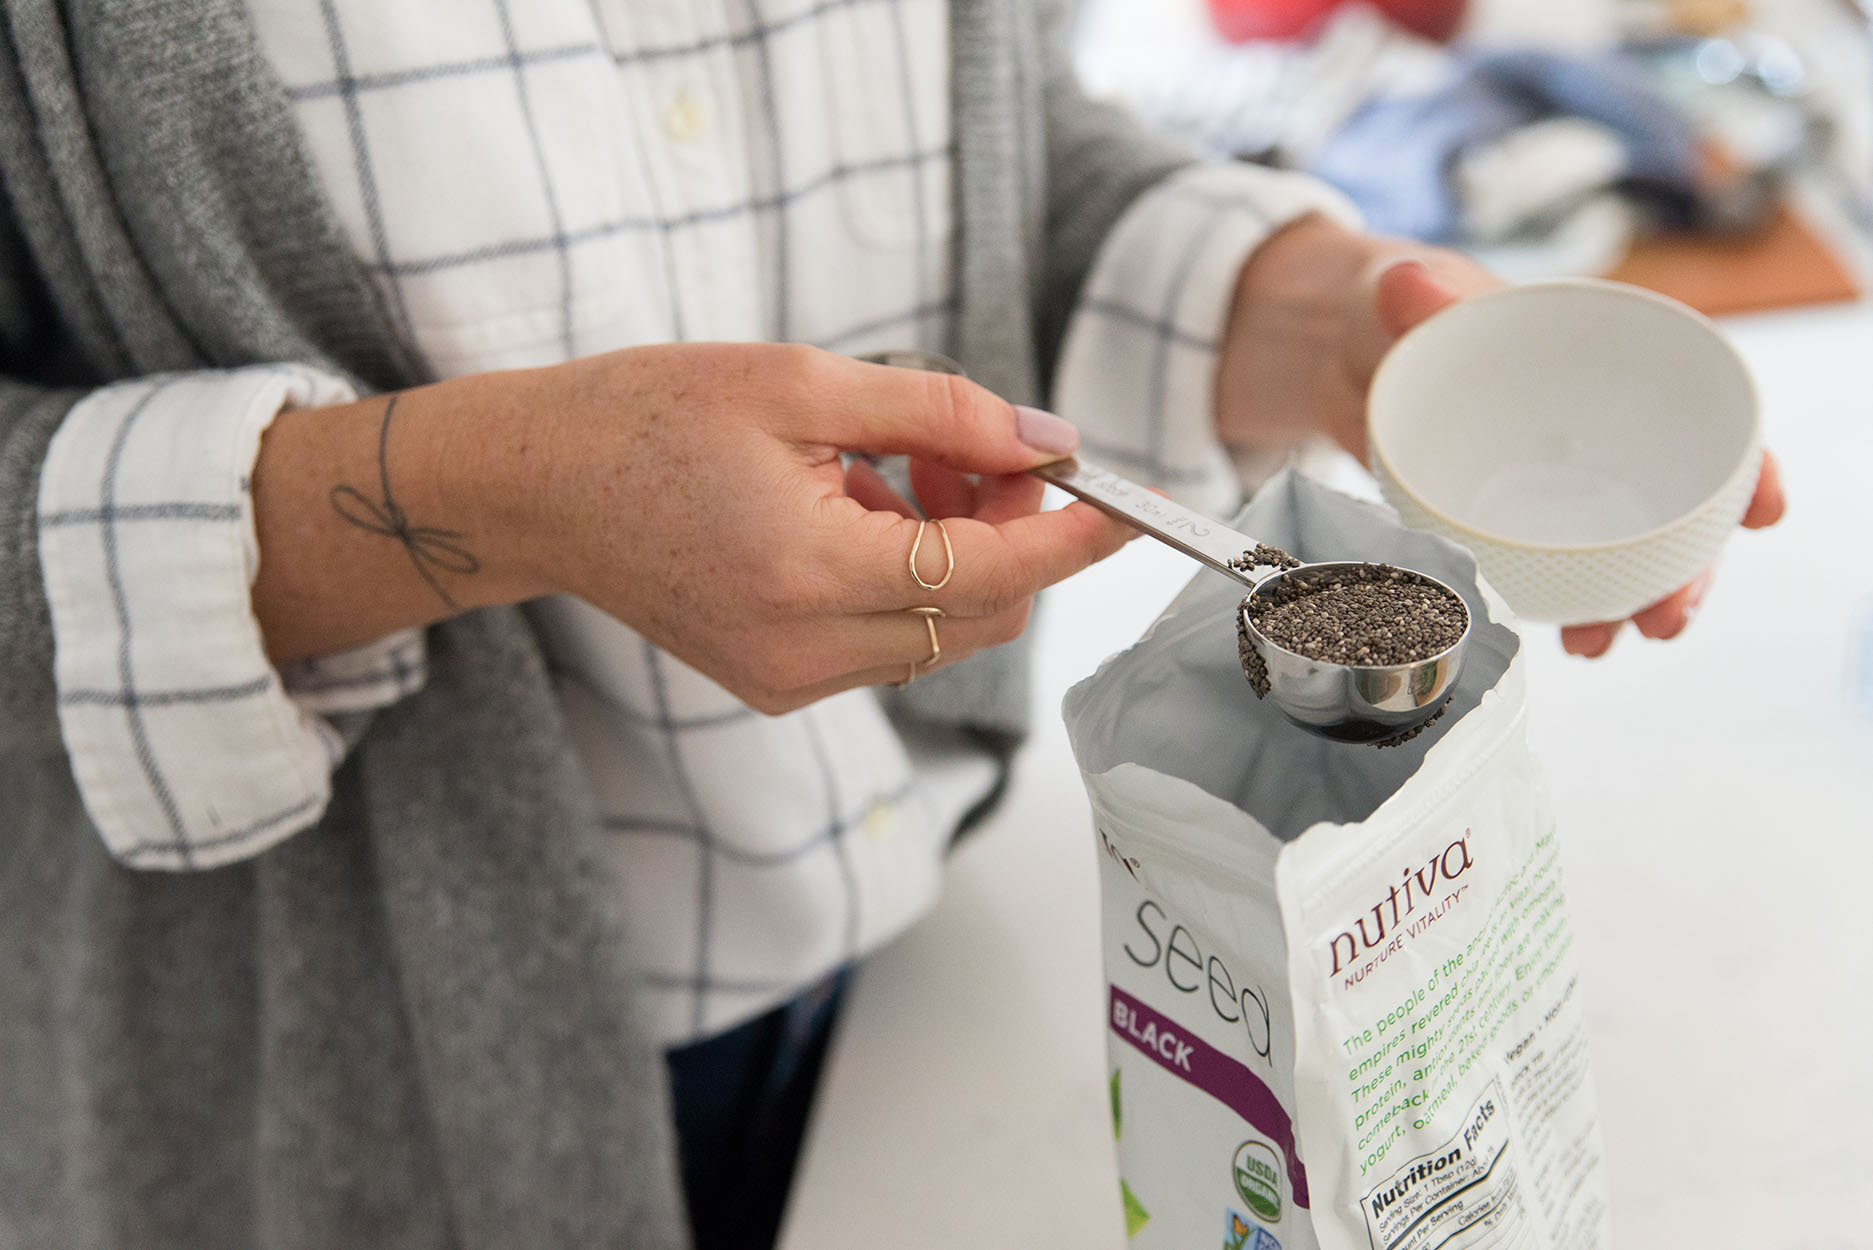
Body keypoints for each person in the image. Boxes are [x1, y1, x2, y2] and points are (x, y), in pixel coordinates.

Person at [0, 1, 1782, 1248]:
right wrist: (504, 489)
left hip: (924, 946)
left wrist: (1310, 312)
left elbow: (988, 153)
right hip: (334, 1069)